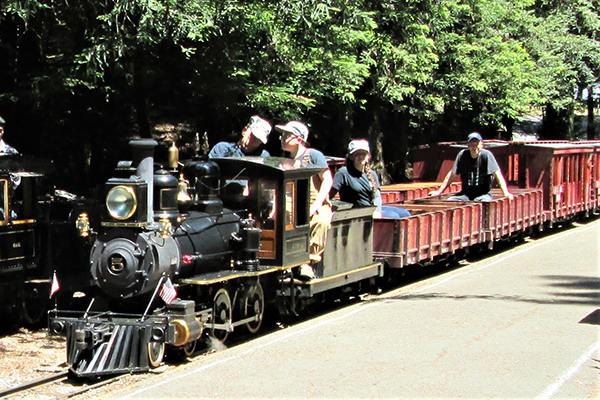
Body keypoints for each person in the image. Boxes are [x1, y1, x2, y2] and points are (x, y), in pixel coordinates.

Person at [277, 120, 332, 280]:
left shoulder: (313, 155)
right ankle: (285, 263)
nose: (283, 138)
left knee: (321, 221)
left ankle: (309, 262)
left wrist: (316, 204)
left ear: (299, 139)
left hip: (315, 201)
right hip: (292, 201)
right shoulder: (284, 161)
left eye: (287, 135)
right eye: (282, 134)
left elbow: (327, 180)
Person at [330, 139, 410, 219]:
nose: (361, 156)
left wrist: (377, 211)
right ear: (351, 157)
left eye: (363, 153)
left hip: (371, 208)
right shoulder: (343, 173)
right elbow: (329, 194)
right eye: (357, 154)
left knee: (405, 214)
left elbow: (377, 196)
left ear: (368, 156)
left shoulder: (372, 173)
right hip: (356, 212)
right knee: (394, 216)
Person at [429, 132, 513, 201]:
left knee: (485, 202)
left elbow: (498, 174)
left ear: (481, 145)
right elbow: (452, 174)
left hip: (483, 195)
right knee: (451, 201)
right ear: (467, 145)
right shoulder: (462, 155)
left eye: (476, 144)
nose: (474, 147)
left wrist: (506, 193)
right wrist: (440, 191)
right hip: (466, 194)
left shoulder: (486, 155)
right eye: (472, 144)